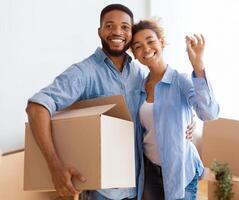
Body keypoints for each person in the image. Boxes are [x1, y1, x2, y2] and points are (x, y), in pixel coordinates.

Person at [25, 4, 194, 200]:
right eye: (109, 26)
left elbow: (158, 108)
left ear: (131, 35)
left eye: (124, 27)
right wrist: (55, 167)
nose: (117, 32)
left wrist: (187, 120)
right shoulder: (84, 73)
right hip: (103, 193)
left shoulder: (139, 74)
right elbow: (37, 107)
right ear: (100, 31)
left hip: (138, 187)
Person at [130, 19, 219, 200]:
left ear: (161, 42)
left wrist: (198, 65)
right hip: (149, 170)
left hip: (180, 172)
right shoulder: (138, 87)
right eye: (138, 46)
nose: (146, 49)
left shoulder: (181, 81)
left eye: (150, 41)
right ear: (135, 54)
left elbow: (209, 114)